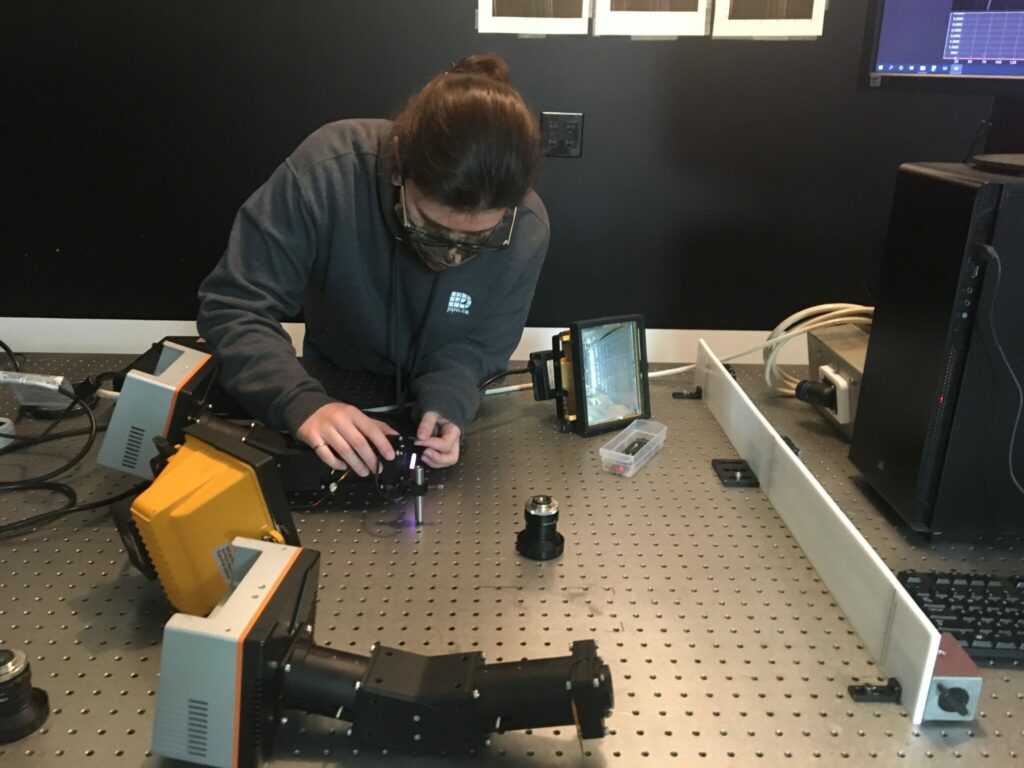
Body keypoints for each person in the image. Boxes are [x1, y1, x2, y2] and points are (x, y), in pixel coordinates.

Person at [196, 54, 548, 477]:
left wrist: (450, 402)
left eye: (479, 238)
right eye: (433, 227)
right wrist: (299, 401)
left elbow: (478, 347)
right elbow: (235, 305)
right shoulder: (327, 171)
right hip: (329, 379)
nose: (453, 253)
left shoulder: (528, 227)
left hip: (431, 401)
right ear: (399, 162)